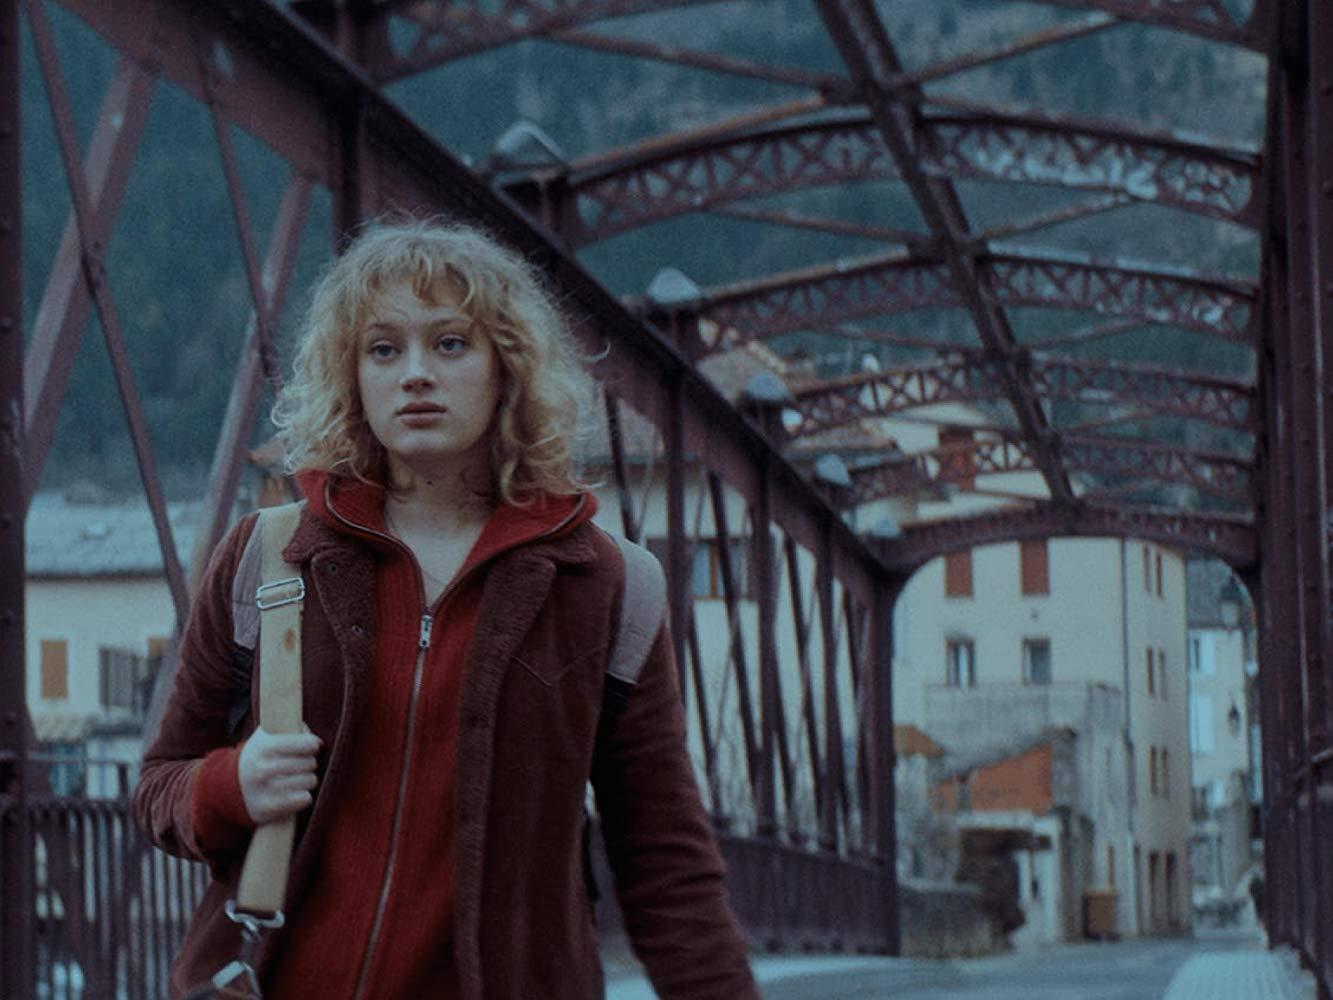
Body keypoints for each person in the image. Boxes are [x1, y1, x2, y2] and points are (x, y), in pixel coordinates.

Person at [134, 218, 759, 999]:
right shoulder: (269, 555)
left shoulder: (607, 584)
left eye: (451, 344)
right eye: (383, 349)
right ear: (351, 374)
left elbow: (664, 858)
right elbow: (158, 785)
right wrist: (230, 787)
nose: (415, 374)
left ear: (507, 366)